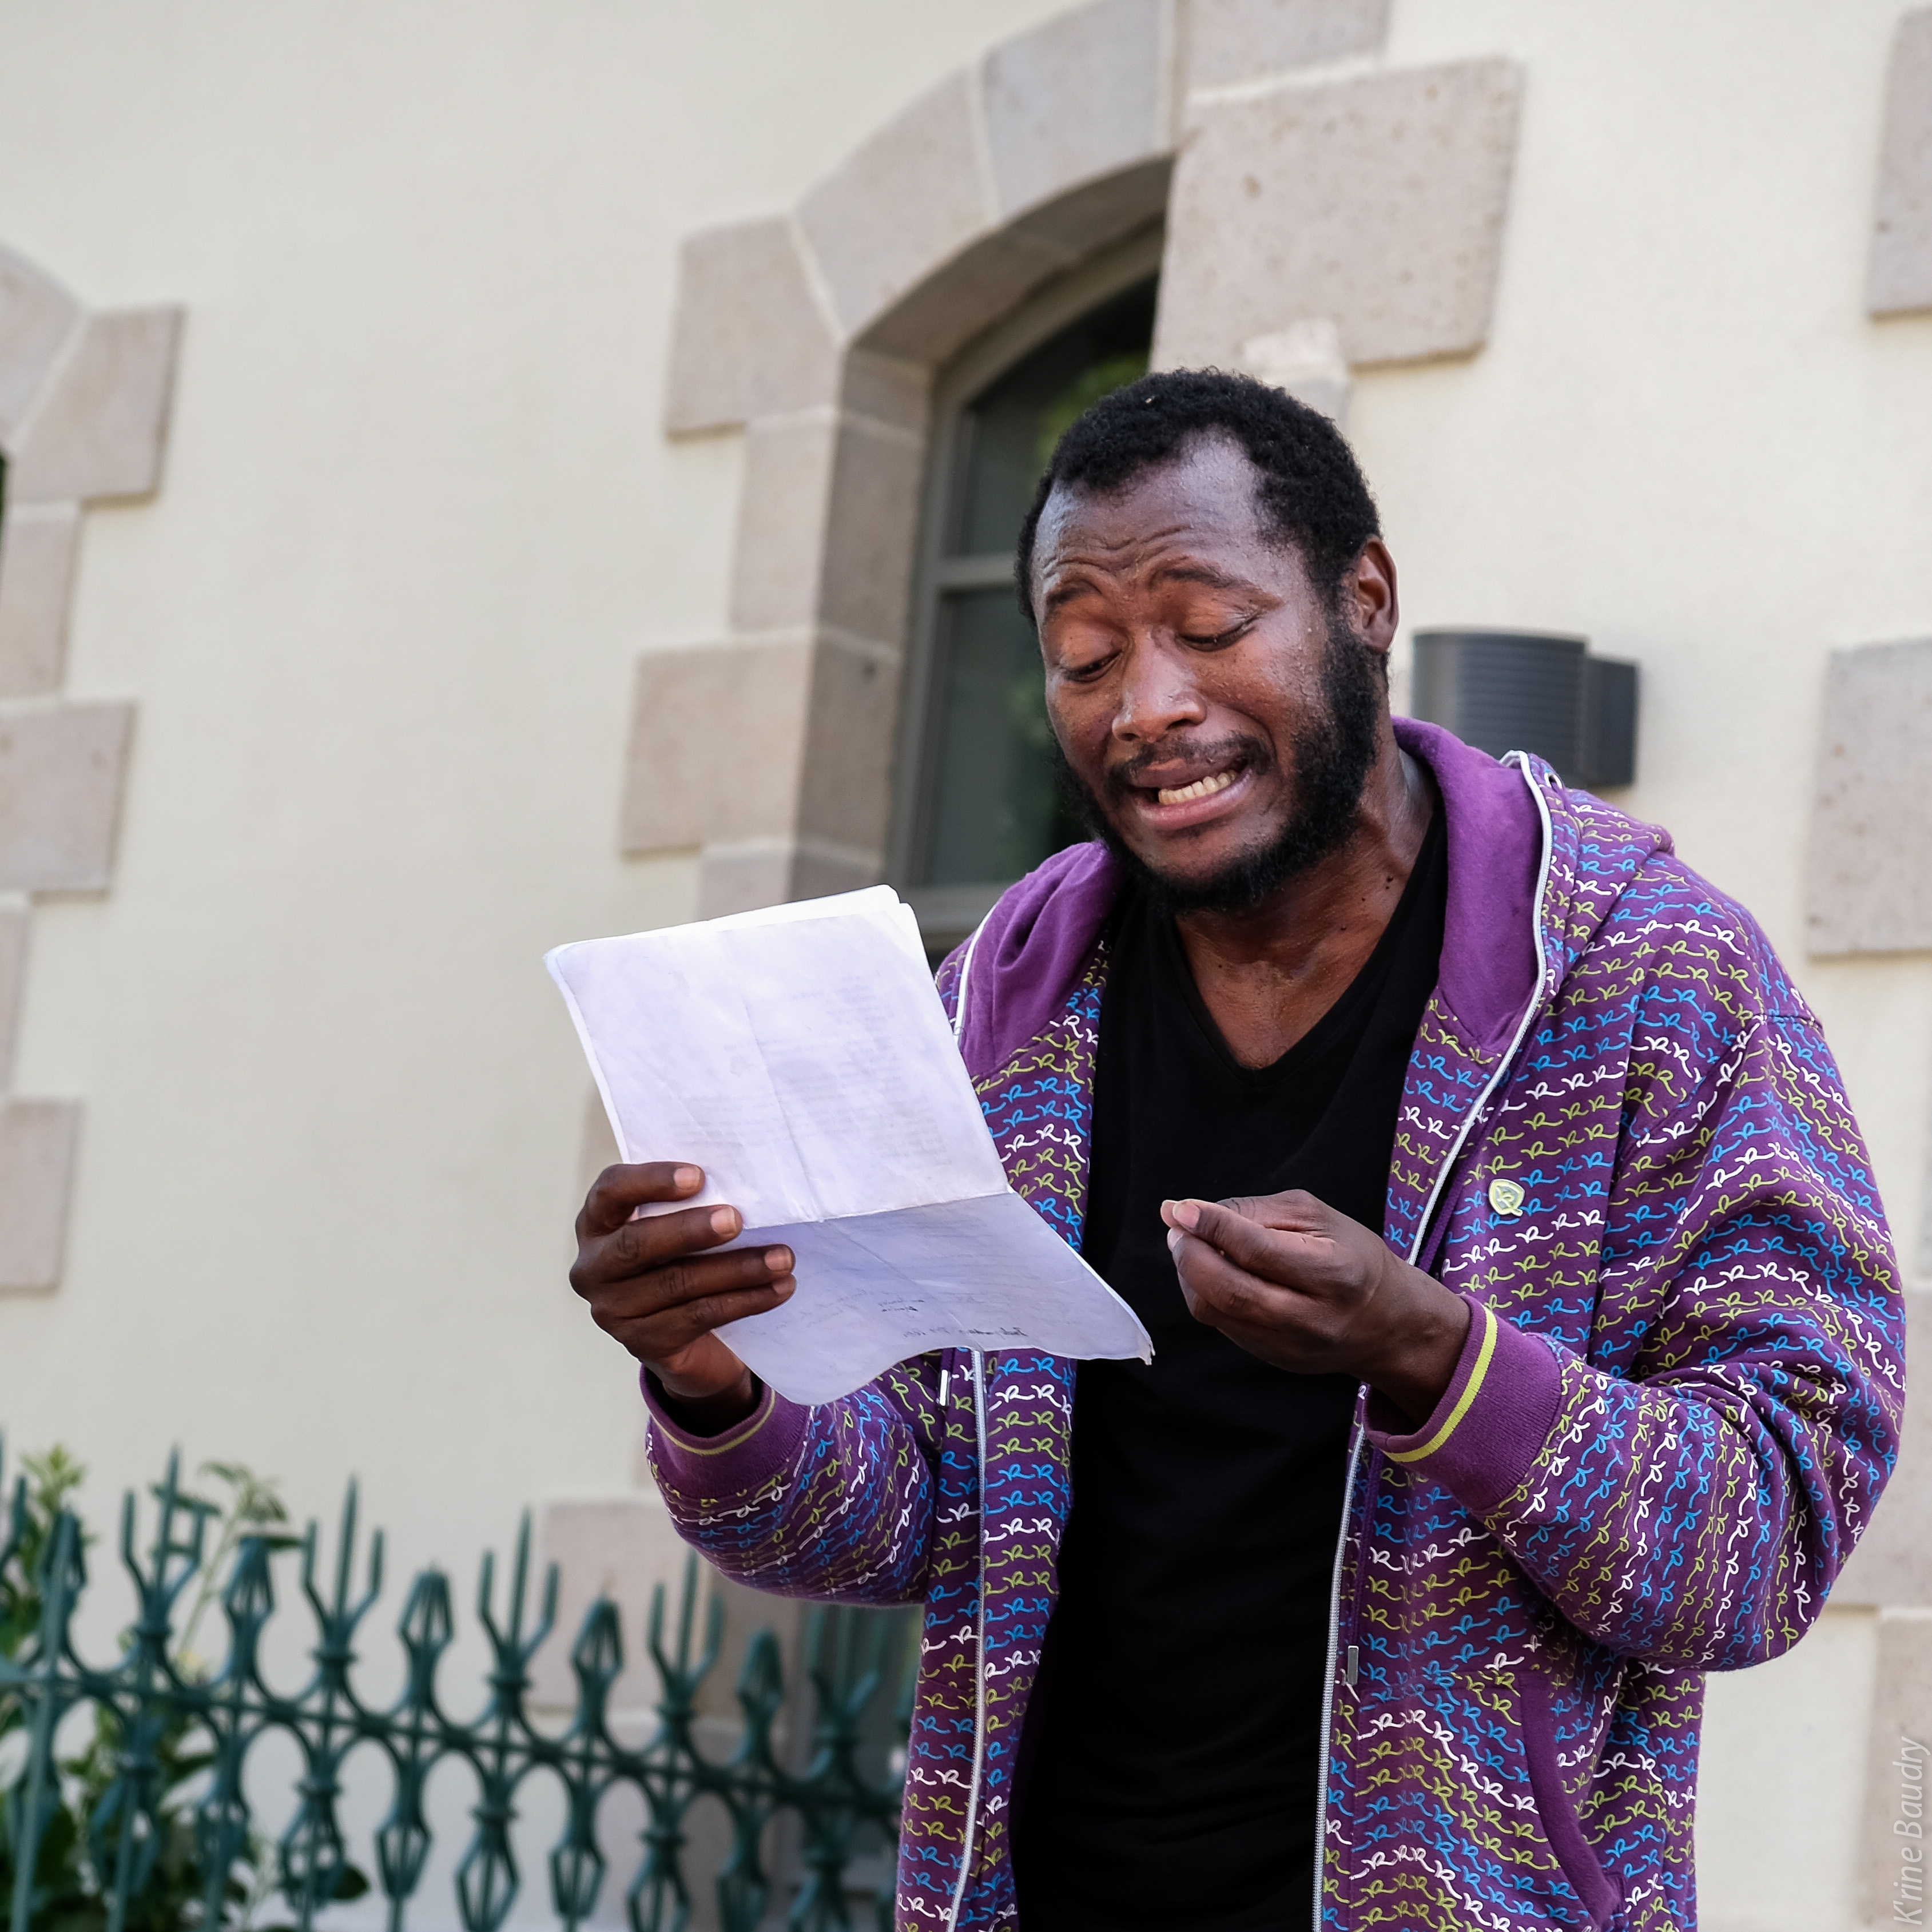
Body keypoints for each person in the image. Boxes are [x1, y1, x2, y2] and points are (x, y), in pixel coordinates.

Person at [569, 370, 1904, 1932]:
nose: (1146, 706)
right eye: (1085, 657)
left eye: (1208, 627)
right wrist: (713, 1382)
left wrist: (1436, 1356)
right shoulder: (1004, 1005)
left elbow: (1768, 1534)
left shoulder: (1649, 979)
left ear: (1364, 601)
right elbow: (912, 1520)